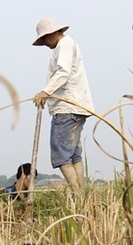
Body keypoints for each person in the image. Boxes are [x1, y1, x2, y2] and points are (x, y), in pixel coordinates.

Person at [31, 17, 93, 198]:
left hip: (67, 107)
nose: (45, 44)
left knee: (61, 153)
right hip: (76, 107)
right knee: (73, 154)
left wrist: (46, 91)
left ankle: (78, 195)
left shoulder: (64, 44)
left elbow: (63, 72)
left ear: (51, 34)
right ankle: (81, 196)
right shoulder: (67, 44)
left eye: (44, 40)